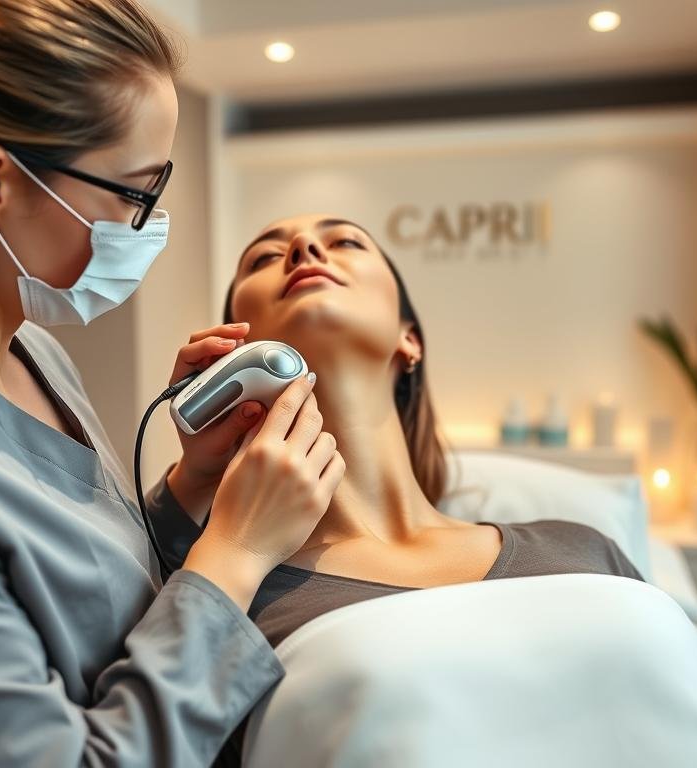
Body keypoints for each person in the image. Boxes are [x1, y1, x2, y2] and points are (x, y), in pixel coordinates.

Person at [0, 3, 345, 766]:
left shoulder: (35, 355)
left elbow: (84, 603)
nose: (146, 227)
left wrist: (190, 492)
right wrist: (238, 551)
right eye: (135, 196)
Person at [150, 213, 645, 764]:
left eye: (346, 241)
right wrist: (194, 481)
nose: (305, 247)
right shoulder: (223, 595)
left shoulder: (587, 550)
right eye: (264, 258)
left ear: (408, 339)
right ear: (229, 358)